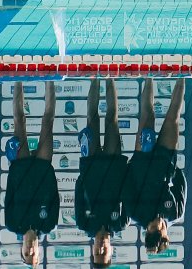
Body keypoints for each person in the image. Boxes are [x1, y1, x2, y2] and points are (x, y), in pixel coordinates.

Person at [125, 78, 189, 258]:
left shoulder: (135, 213)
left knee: (147, 114)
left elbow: (127, 186)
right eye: (159, 228)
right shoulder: (176, 212)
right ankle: (182, 74)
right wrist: (172, 169)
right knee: (173, 116)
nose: (156, 224)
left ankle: (149, 75)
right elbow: (181, 185)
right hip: (165, 160)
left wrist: (134, 163)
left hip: (142, 158)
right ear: (166, 234)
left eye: (151, 228)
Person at [74, 80, 132, 267]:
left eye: (96, 253)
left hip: (91, 165)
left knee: (92, 116)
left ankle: (94, 77)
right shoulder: (121, 223)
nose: (100, 248)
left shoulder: (84, 224)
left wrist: (84, 174)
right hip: (114, 164)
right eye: (104, 252)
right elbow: (127, 194)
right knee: (112, 117)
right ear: (111, 251)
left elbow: (78, 196)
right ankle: (109, 76)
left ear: (92, 251)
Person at [2, 82, 60, 267]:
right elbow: (55, 197)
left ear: (22, 250)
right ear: (39, 251)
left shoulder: (13, 224)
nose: (31, 249)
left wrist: (13, 167)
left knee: (19, 120)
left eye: (27, 253)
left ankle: (17, 78)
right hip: (43, 167)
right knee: (48, 120)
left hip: (21, 167)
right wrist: (48, 170)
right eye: (34, 254)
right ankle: (50, 78)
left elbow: (9, 196)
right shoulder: (48, 225)